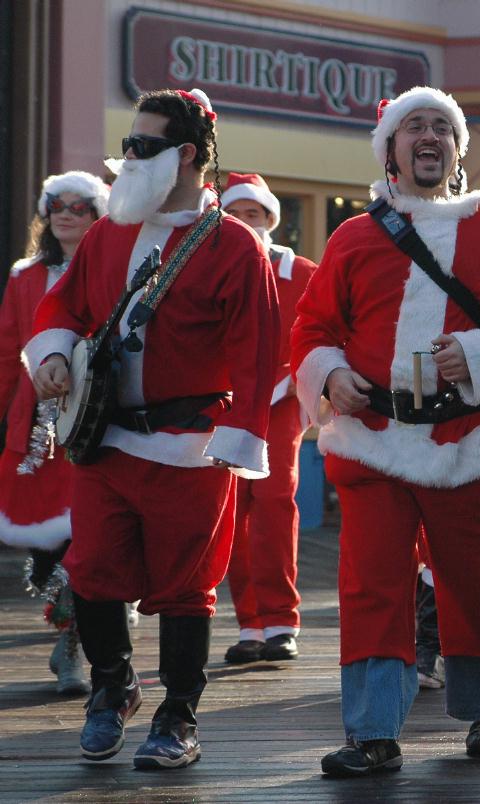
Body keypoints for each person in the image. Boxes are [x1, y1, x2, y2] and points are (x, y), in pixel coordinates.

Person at [291, 85, 480, 776]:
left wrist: (477, 354)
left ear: (458, 150)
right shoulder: (352, 237)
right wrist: (328, 374)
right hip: (375, 437)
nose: (429, 136)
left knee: (477, 579)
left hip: (468, 441)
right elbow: (314, 326)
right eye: (415, 127)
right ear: (391, 150)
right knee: (372, 583)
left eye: (442, 126)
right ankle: (372, 730)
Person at [26, 87, 279, 770]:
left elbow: (259, 356)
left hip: (191, 445)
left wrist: (238, 442)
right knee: (94, 571)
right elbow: (62, 303)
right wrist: (51, 354)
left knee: (184, 587)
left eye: (142, 147)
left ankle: (178, 716)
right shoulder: (110, 231)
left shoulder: (235, 246)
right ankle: (113, 686)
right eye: (128, 143)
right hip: (103, 441)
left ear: (186, 155)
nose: (126, 158)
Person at [1, 171, 108, 696]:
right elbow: (5, 351)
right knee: (45, 550)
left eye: (80, 206)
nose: (67, 213)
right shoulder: (24, 277)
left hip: (92, 423)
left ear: (97, 214)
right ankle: (75, 628)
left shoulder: (111, 269)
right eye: (57, 206)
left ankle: (76, 646)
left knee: (87, 540)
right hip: (34, 436)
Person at [219, 172, 316, 665]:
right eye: (232, 215)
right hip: (225, 402)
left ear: (270, 220)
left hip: (281, 398)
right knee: (232, 510)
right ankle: (250, 624)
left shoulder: (298, 271)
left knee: (276, 500)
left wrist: (308, 380)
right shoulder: (213, 268)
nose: (242, 224)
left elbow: (330, 325)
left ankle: (282, 621)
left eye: (252, 215)